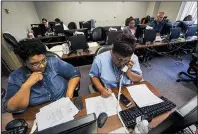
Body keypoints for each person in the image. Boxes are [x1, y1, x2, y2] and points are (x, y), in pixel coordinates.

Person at [5, 39, 80, 113]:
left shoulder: (53, 62)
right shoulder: (16, 76)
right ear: (23, 62)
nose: (41, 66)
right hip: (38, 112)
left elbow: (74, 74)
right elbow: (11, 107)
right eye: (35, 64)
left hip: (64, 105)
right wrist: (27, 84)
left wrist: (68, 96)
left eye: (43, 60)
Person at [89, 33, 142, 97]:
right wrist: (101, 89)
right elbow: (93, 76)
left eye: (125, 60)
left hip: (128, 91)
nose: (122, 63)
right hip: (110, 92)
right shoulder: (99, 59)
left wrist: (128, 72)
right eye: (119, 59)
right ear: (112, 51)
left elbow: (139, 79)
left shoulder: (133, 58)